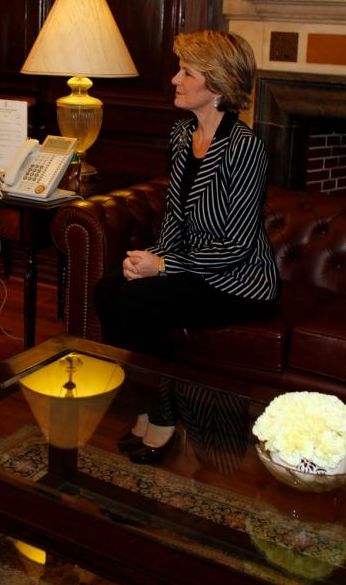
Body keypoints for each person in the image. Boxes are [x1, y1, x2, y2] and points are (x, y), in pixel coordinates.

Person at [93, 30, 280, 464]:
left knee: (140, 301)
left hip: (238, 280)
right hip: (193, 267)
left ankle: (164, 413)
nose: (175, 79)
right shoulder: (182, 135)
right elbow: (175, 215)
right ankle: (147, 403)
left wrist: (164, 266)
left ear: (215, 85)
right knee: (110, 290)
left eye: (187, 72)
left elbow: (235, 245)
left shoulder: (244, 147)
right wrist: (147, 260)